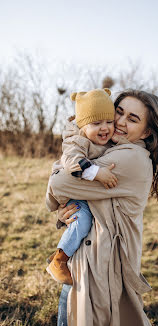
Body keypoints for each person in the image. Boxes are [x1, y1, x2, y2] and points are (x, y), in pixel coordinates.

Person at [47, 90, 158, 326]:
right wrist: (66, 209)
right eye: (119, 112)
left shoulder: (130, 158)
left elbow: (59, 183)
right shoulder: (107, 150)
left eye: (132, 119)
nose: (120, 122)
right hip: (85, 262)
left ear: (147, 132)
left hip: (100, 270)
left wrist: (57, 193)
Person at [46, 88, 118, 285]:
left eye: (109, 122)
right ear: (83, 126)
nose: (105, 128)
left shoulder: (107, 140)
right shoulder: (77, 141)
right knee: (83, 219)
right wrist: (96, 172)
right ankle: (59, 259)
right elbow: (71, 161)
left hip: (81, 189)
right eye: (96, 123)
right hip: (70, 188)